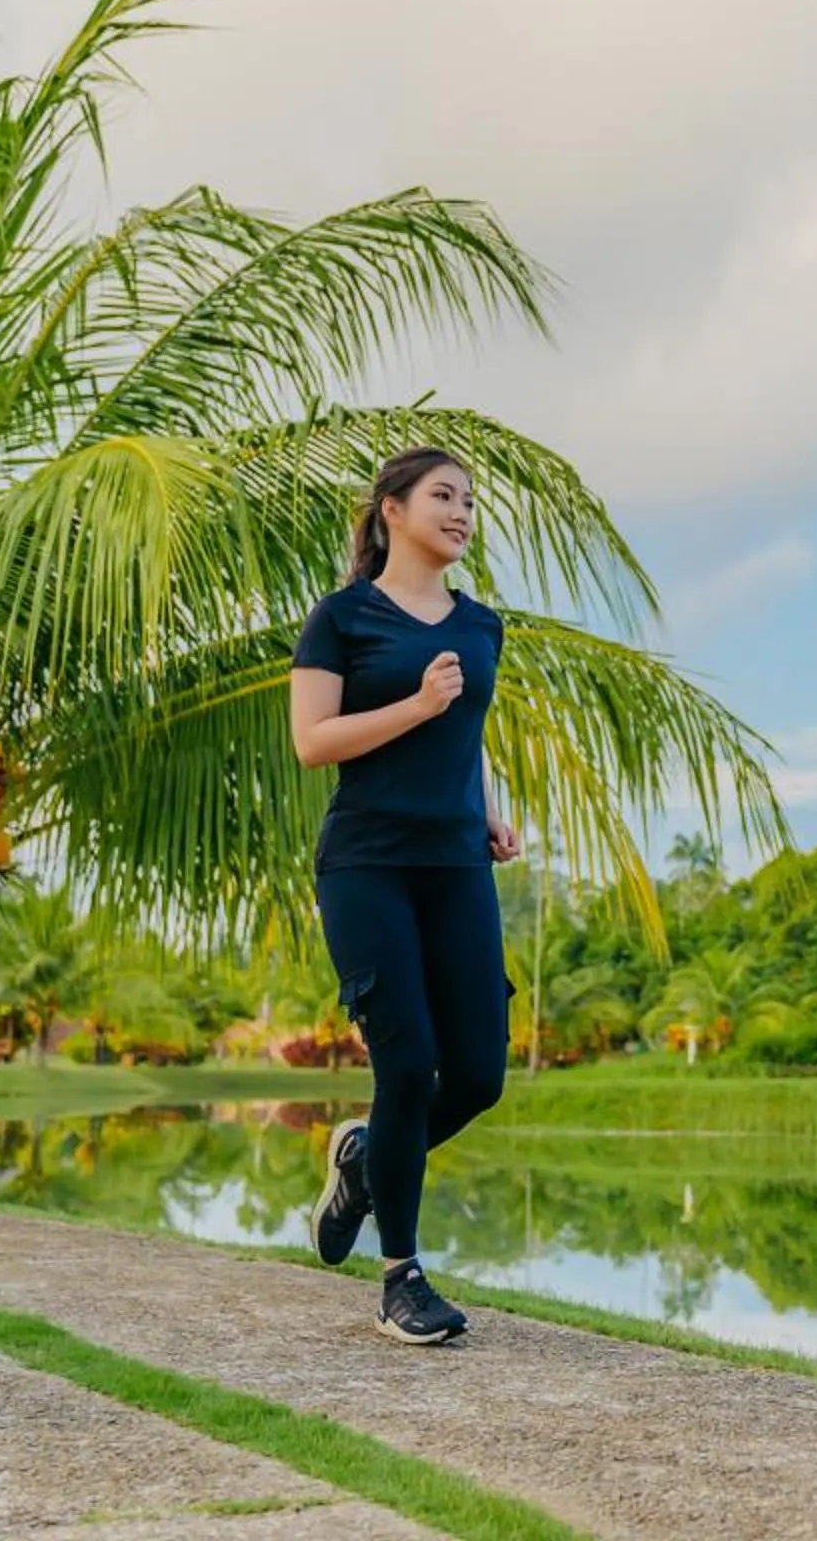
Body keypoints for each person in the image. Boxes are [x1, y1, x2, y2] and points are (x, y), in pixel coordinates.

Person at [289, 446, 522, 1344]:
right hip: (369, 865)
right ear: (391, 508)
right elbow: (314, 741)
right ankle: (402, 1279)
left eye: (469, 500)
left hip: (457, 864)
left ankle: (359, 1158)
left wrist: (492, 814)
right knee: (406, 1061)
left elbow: (469, 735)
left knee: (476, 1075)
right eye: (443, 496)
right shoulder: (343, 618)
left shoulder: (482, 625)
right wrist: (413, 709)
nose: (462, 513)